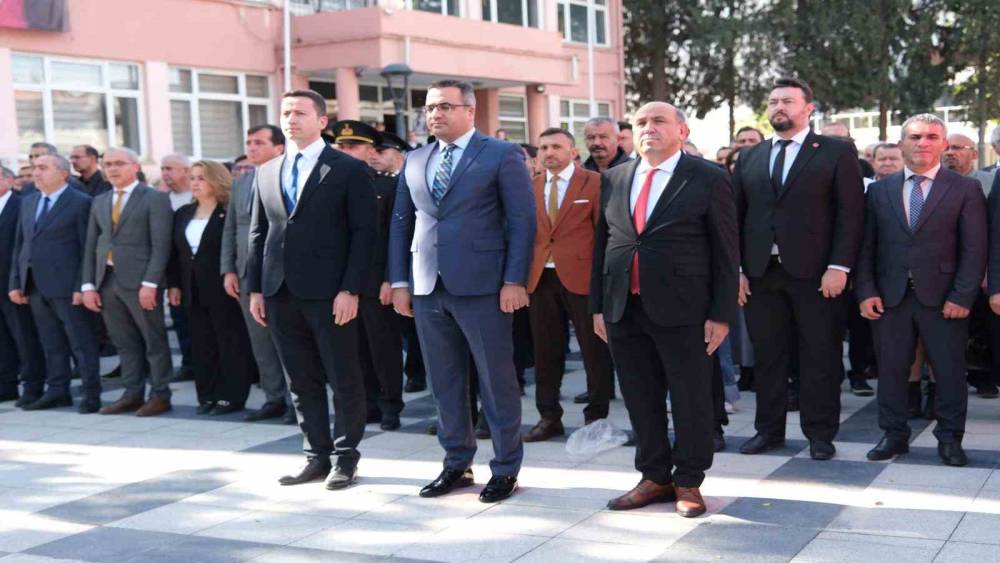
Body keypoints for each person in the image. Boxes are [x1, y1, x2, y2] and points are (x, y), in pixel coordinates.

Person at [388, 79, 535, 503]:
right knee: (445, 381)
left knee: (495, 380)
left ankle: (505, 468)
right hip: (427, 286)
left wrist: (514, 280)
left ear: (470, 111)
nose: (435, 114)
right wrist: (400, 282)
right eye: (430, 107)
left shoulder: (501, 154)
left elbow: (522, 221)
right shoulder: (415, 158)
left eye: (445, 106)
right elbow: (401, 222)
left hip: (484, 285)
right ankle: (456, 463)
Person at [592, 102, 738, 517]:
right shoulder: (615, 177)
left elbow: (726, 250)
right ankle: (654, 476)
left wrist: (721, 313)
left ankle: (688, 480)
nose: (648, 128)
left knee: (691, 397)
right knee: (639, 396)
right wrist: (598, 306)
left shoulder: (708, 177)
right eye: (641, 122)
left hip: (686, 309)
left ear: (682, 130)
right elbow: (603, 245)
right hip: (624, 306)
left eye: (659, 121)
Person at [247, 89, 376, 490]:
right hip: (279, 291)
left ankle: (345, 457)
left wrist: (351, 288)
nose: (291, 119)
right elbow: (258, 233)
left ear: (321, 121)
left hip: (330, 293)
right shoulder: (267, 171)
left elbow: (364, 234)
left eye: (300, 112)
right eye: (286, 112)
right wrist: (256, 288)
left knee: (343, 376)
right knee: (301, 381)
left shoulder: (348, 169)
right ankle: (315, 456)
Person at [734, 77, 865, 461]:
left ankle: (820, 435)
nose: (779, 106)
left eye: (788, 101)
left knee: (820, 356)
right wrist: (737, 270)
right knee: (768, 357)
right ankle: (768, 431)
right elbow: (735, 218)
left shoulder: (835, 152)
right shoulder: (751, 157)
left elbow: (851, 214)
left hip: (818, 275)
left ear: (809, 108)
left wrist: (839, 266)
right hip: (761, 274)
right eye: (774, 101)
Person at [860, 114, 987, 467]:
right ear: (902, 143)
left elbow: (975, 248)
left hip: (945, 299)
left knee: (949, 372)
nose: (923, 143)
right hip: (890, 298)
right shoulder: (879, 191)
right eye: (915, 137)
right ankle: (893, 435)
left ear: (943, 144)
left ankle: (950, 439)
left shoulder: (965, 189)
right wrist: (866, 291)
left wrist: (962, 296)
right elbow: (866, 246)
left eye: (932, 136)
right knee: (891, 371)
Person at [522, 128, 613, 442]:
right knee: (545, 351)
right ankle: (549, 417)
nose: (549, 152)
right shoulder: (531, 185)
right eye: (544, 147)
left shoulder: (595, 182)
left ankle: (596, 418)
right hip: (540, 279)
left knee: (594, 351)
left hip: (583, 278)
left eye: (556, 146)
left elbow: (604, 233)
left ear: (573, 152)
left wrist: (603, 281)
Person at [81, 147, 175, 417]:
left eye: (119, 163)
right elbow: (92, 245)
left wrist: (151, 283)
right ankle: (132, 393)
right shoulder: (100, 200)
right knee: (124, 342)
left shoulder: (155, 198)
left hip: (141, 283)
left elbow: (161, 245)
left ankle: (160, 395)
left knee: (153, 341)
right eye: (108, 164)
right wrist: (88, 285)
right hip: (107, 281)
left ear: (135, 166)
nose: (112, 169)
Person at [330, 119, 405, 431]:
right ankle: (368, 403)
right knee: (353, 347)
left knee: (383, 347)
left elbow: (394, 235)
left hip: (375, 281)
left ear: (370, 151)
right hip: (341, 282)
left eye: (354, 146)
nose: (346, 151)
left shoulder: (387, 186)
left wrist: (391, 277)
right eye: (342, 146)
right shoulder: (329, 185)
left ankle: (390, 404)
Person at [10, 155, 99, 412]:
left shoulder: (81, 202)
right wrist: (16, 281)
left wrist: (82, 286)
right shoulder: (29, 202)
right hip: (35, 285)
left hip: (68, 287)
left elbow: (87, 248)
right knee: (51, 343)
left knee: (81, 343)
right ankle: (58, 391)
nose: (36, 173)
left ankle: (91, 393)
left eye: (43, 168)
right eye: (34, 168)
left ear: (63, 173)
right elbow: (21, 245)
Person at [168, 161, 258, 415]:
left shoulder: (227, 212)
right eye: (192, 178)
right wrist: (173, 284)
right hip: (191, 289)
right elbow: (175, 254)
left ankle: (231, 396)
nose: (195, 183)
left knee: (229, 342)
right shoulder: (183, 213)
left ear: (216, 180)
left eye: (201, 178)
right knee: (201, 344)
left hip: (223, 288)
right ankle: (207, 395)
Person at [221, 124, 292, 423]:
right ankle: (273, 398)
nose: (251, 148)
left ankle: (297, 402)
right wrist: (228, 269)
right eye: (249, 142)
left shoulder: (290, 178)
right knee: (259, 340)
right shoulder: (241, 183)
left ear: (279, 148)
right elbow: (230, 229)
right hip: (246, 272)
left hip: (279, 271)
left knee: (288, 340)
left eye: (259, 142)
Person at [371, 132, 426, 393]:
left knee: (414, 327)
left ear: (398, 154)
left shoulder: (411, 180)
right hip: (387, 269)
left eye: (381, 152)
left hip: (414, 265)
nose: (374, 156)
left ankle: (417, 372)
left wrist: (393, 276)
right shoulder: (375, 184)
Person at [0, 166, 45, 405]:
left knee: (25, 338)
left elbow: (21, 246)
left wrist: (17, 281)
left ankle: (32, 386)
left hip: (13, 284)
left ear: (9, 180)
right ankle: (6, 385)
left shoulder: (21, 205)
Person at [159, 153, 195, 380]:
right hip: (173, 271)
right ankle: (188, 363)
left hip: (196, 270)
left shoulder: (197, 198)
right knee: (180, 319)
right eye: (163, 169)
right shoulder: (162, 200)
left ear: (186, 171)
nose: (165, 173)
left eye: (169, 168)